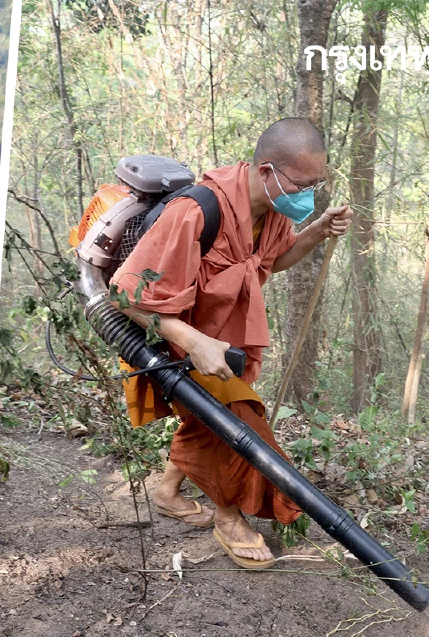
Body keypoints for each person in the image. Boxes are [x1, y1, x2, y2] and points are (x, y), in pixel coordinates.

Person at [110, 117, 351, 568]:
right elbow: (124, 294)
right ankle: (229, 515)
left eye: (316, 184)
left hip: (227, 342)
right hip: (175, 339)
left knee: (210, 416)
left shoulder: (275, 209)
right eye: (302, 184)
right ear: (266, 171)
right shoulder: (196, 212)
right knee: (237, 424)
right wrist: (192, 340)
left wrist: (316, 230)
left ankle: (166, 491)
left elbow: (272, 262)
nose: (308, 194)